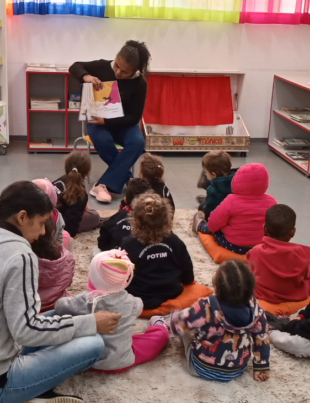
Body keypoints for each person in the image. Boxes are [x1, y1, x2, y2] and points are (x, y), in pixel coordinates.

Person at [0, 181, 121, 403]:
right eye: (42, 222)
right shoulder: (20, 255)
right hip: (4, 378)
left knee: (63, 315)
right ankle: (27, 394)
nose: (44, 231)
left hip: (6, 342)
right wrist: (90, 323)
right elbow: (26, 331)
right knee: (94, 343)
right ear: (22, 217)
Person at [152, 260, 270, 383]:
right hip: (236, 370)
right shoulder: (256, 308)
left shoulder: (205, 306)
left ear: (217, 288)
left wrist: (175, 318)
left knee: (187, 320)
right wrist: (261, 366)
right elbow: (261, 338)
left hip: (200, 367)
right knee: (194, 318)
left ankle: (162, 323)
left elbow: (178, 326)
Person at [55, 249, 169, 373]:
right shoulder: (130, 302)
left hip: (89, 361)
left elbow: (60, 307)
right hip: (122, 360)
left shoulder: (84, 301)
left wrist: (70, 299)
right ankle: (159, 325)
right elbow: (139, 306)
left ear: (92, 277)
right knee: (159, 337)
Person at [69, 40, 151, 203]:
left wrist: (107, 122)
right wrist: (86, 76)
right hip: (97, 122)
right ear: (116, 58)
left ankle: (102, 185)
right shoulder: (102, 66)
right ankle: (126, 178)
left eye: (125, 71)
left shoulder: (140, 83)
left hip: (122, 124)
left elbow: (134, 117)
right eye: (117, 66)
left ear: (135, 71)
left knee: (138, 142)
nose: (118, 72)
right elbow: (75, 66)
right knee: (102, 139)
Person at [121, 193, 194, 310]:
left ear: (135, 220)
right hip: (171, 291)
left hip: (139, 294)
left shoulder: (127, 244)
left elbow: (122, 274)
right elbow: (187, 268)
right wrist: (188, 280)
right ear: (167, 219)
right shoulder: (176, 242)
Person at [193, 163, 277, 255]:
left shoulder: (231, 200)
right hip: (260, 246)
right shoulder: (271, 201)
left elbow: (214, 224)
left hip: (234, 246)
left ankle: (199, 225)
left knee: (212, 228)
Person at [247, 204, 310, 315]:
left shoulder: (255, 251)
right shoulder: (304, 254)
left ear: (264, 229)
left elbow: (251, 274)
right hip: (295, 296)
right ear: (293, 232)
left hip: (263, 296)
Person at [95, 178, 152, 254]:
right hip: (145, 261)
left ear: (126, 199)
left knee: (95, 251)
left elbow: (102, 244)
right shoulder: (157, 222)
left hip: (119, 260)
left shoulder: (112, 221)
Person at [31, 216, 75, 313]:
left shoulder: (22, 260)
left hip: (32, 310)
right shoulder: (67, 257)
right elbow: (68, 282)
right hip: (59, 304)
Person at [53, 151, 100, 238]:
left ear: (66, 168)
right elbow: (70, 225)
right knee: (95, 216)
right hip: (58, 225)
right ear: (88, 172)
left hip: (48, 217)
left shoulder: (60, 180)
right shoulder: (81, 194)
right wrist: (72, 234)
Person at [194, 151, 237, 220]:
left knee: (201, 208)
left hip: (221, 219)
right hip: (235, 214)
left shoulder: (213, 189)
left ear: (214, 175)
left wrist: (203, 211)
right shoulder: (239, 179)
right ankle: (205, 199)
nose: (205, 174)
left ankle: (205, 191)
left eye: (206, 172)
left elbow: (210, 211)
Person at [32, 178, 70, 248]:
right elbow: (59, 241)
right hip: (51, 249)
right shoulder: (58, 216)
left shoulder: (28, 217)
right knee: (66, 235)